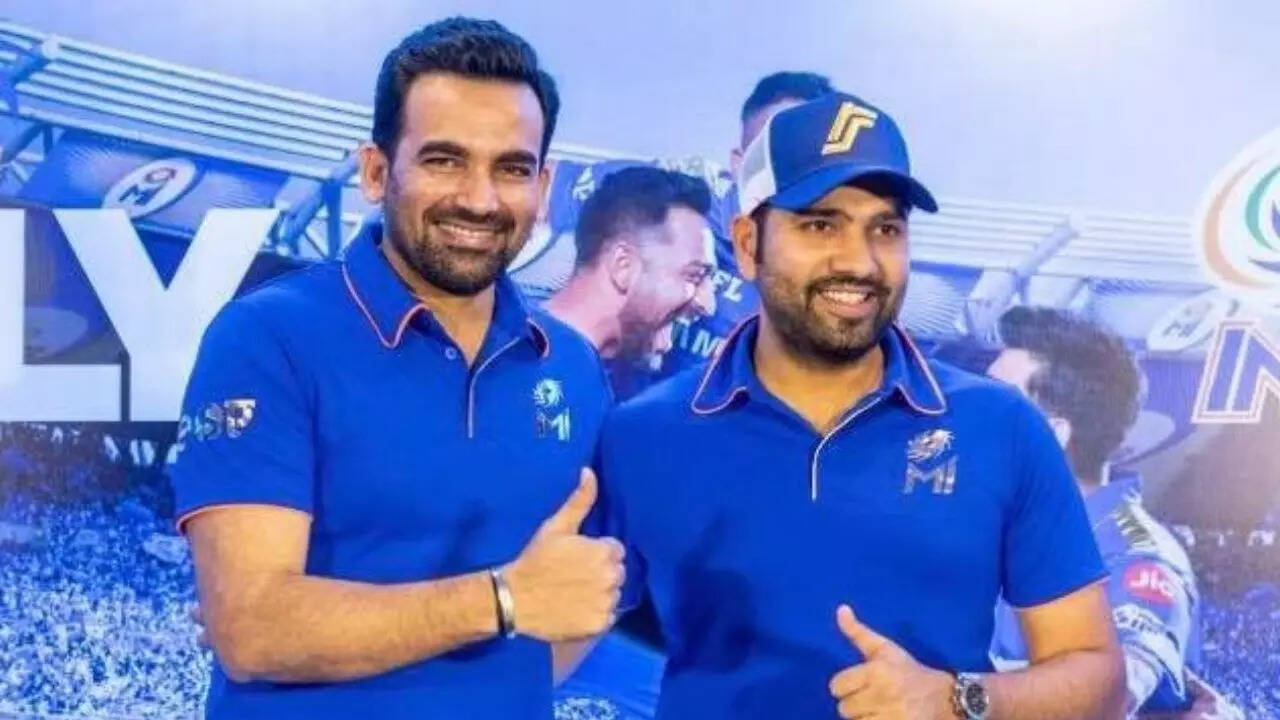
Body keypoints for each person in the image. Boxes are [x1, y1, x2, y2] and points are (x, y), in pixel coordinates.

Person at [590, 93, 1126, 719]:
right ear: (747, 243)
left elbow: (1099, 681)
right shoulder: (644, 434)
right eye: (821, 224)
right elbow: (554, 641)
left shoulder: (1002, 428)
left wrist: (959, 701)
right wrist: (507, 598)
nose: (860, 261)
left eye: (886, 229)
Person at [167, 18, 622, 719]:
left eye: (511, 168)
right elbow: (252, 628)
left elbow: (580, 593)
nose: (480, 199)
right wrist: (503, 599)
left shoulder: (574, 368)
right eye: (444, 160)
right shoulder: (268, 338)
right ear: (376, 171)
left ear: (545, 184)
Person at [987, 307, 1242, 719]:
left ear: (1051, 434)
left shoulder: (1135, 557)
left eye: (994, 402)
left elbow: (1107, 694)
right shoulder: (996, 535)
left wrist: (950, 692)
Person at [659, 71, 837, 379]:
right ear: (739, 163)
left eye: (808, 156)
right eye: (772, 153)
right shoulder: (681, 199)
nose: (788, 171)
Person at [544, 167, 718, 401]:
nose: (708, 305)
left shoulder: (630, 386)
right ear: (623, 266)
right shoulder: (514, 368)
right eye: (694, 276)